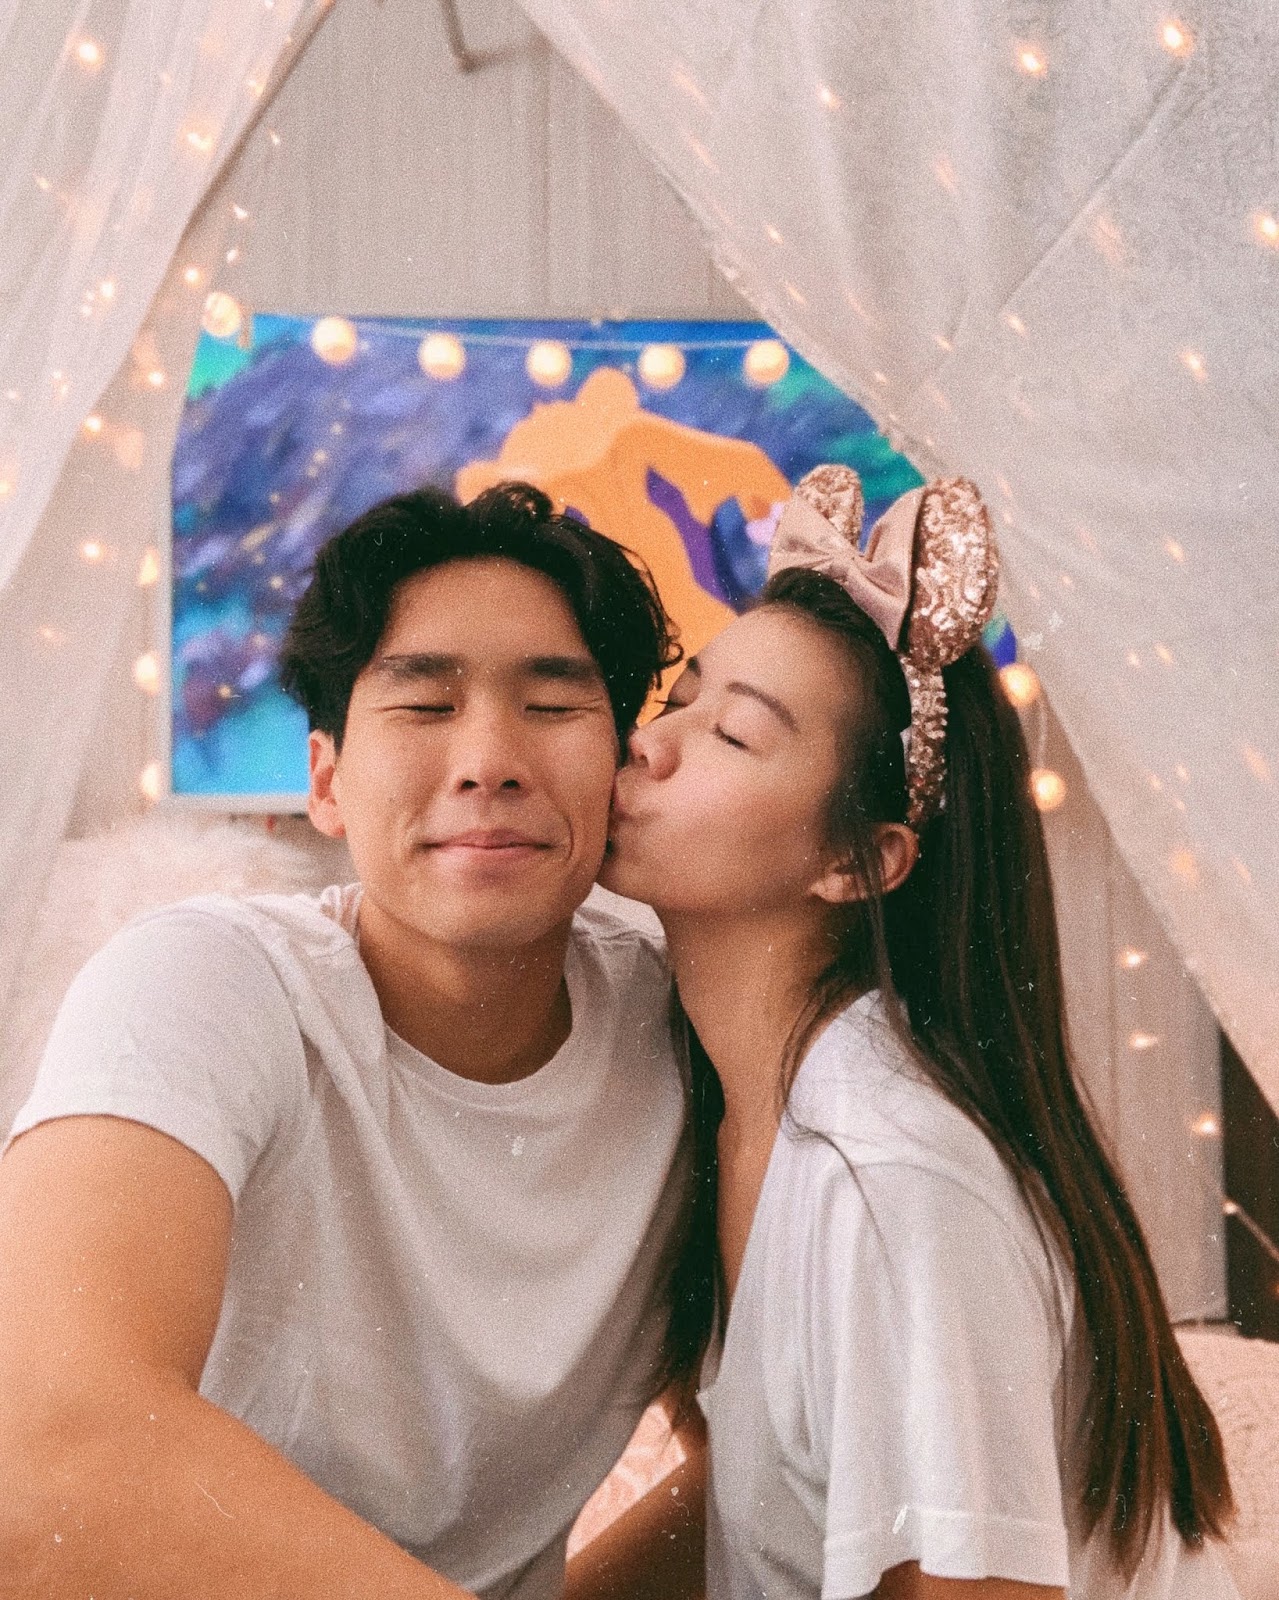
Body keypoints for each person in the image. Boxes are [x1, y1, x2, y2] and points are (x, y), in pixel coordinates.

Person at [0, 482, 704, 1600]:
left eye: (551, 705)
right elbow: (46, 1446)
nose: (488, 759)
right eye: (423, 706)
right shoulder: (206, 979)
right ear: (326, 782)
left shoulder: (681, 1027)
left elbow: (758, 1461)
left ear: (621, 769)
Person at [601, 464, 1239, 1600]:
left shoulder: (892, 1180)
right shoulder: (719, 1097)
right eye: (681, 699)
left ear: (858, 864)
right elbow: (753, 1492)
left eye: (732, 735)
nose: (650, 745)